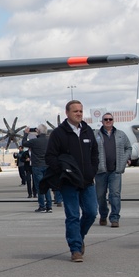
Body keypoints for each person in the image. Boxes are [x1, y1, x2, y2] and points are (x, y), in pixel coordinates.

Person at [45, 100, 99, 263]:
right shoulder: (58, 134)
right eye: (75, 111)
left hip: (87, 181)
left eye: (81, 111)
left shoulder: (88, 131)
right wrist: (63, 172)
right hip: (69, 182)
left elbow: (95, 154)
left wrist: (92, 171)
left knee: (91, 212)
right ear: (67, 113)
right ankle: (75, 249)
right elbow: (50, 157)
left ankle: (79, 236)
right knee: (73, 215)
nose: (79, 114)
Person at [94, 112, 134, 228]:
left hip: (115, 170)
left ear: (113, 121)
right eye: (105, 119)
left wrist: (125, 158)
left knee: (115, 194)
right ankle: (103, 214)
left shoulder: (121, 134)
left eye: (110, 119)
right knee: (100, 196)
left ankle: (115, 218)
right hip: (100, 171)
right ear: (102, 122)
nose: (108, 121)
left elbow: (128, 147)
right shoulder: (96, 134)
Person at [24, 125, 53, 213]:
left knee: (40, 186)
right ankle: (49, 206)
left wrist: (26, 134)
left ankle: (42, 206)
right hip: (47, 165)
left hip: (37, 165)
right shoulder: (49, 141)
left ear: (38, 131)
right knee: (47, 185)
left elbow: (24, 143)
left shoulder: (34, 141)